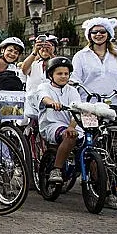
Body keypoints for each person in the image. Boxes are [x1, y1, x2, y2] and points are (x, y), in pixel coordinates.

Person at [71, 17, 117, 210]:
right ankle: (103, 190)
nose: (99, 35)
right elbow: (74, 79)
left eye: (102, 31)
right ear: (89, 36)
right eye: (95, 32)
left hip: (114, 104)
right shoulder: (81, 56)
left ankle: (116, 189)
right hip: (91, 105)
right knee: (95, 146)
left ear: (108, 34)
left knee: (114, 151)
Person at [37, 57, 83, 185]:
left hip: (72, 125)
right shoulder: (44, 86)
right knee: (69, 136)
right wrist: (52, 103)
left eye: (66, 74)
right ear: (51, 75)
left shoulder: (72, 91)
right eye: (59, 73)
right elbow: (44, 98)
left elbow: (77, 110)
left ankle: (100, 186)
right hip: (52, 125)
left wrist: (72, 126)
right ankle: (56, 170)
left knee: (92, 144)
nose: (63, 76)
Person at [21, 34, 58, 121]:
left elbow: (61, 69)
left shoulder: (57, 63)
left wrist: (51, 54)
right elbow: (24, 70)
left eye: (49, 45)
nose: (44, 49)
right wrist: (35, 51)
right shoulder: (33, 64)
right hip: (32, 105)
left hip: (52, 104)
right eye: (42, 46)